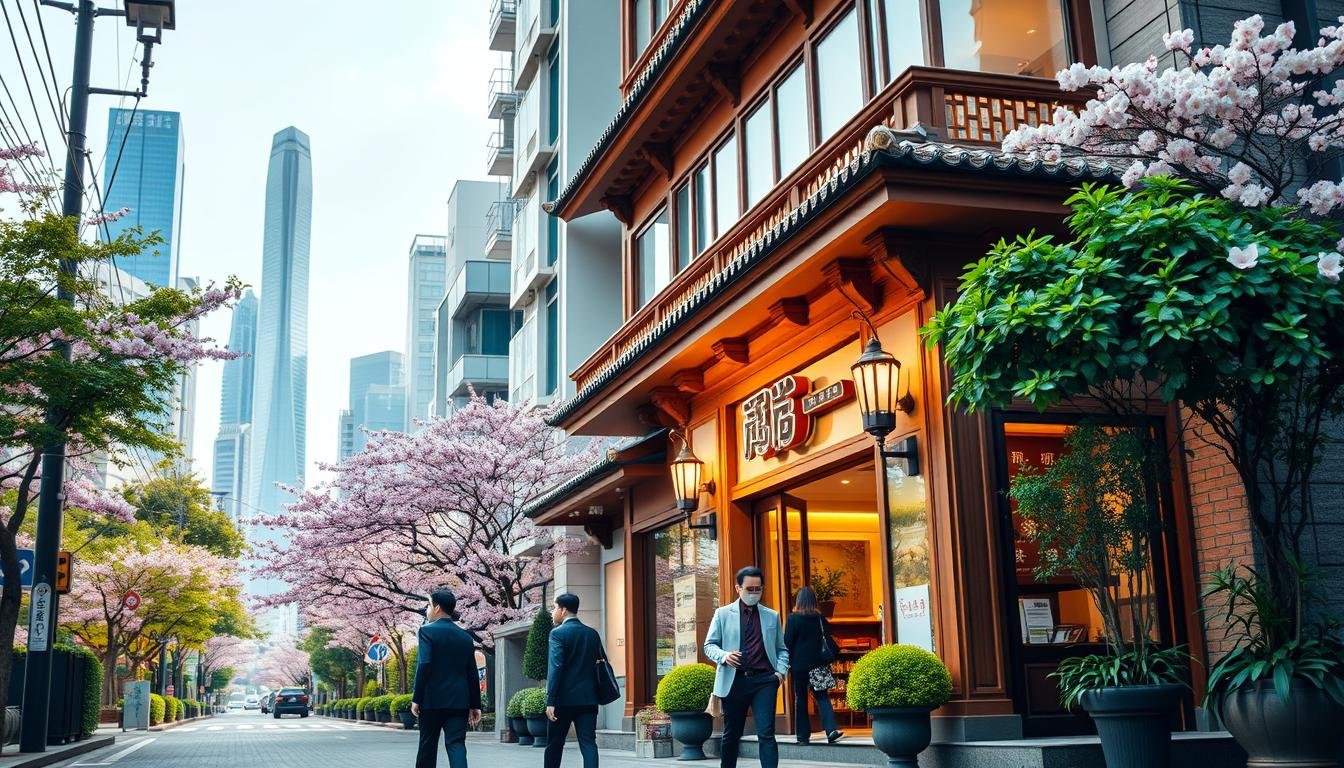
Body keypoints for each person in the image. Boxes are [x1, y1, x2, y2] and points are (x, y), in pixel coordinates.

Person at [703, 566, 790, 768]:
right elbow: (709, 645)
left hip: (765, 681)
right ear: (738, 588)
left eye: (757, 589)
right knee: (731, 733)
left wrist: (780, 672)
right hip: (735, 681)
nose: (754, 593)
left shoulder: (771, 616)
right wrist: (724, 656)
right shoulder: (722, 614)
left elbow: (782, 649)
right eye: (749, 589)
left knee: (766, 733)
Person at [412, 589, 482, 768]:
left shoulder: (426, 631)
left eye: (428, 605)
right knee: (456, 745)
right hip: (459, 702)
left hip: (431, 701)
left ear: (437, 608)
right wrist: (475, 704)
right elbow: (472, 672)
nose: (426, 609)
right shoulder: (465, 637)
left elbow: (424, 665)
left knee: (427, 746)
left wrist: (417, 698)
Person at [544, 592, 605, 768]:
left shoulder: (557, 634)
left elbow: (556, 668)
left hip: (563, 701)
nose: (552, 612)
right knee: (588, 743)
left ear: (563, 610)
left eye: (554, 607)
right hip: (588, 699)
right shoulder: (592, 634)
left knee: (555, 744)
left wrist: (551, 700)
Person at [783, 586, 844, 745]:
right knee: (822, 697)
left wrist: (786, 664)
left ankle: (803, 737)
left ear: (799, 601)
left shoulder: (792, 619)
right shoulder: (820, 619)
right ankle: (831, 730)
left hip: (799, 666)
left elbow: (787, 643)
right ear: (814, 601)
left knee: (801, 699)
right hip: (818, 665)